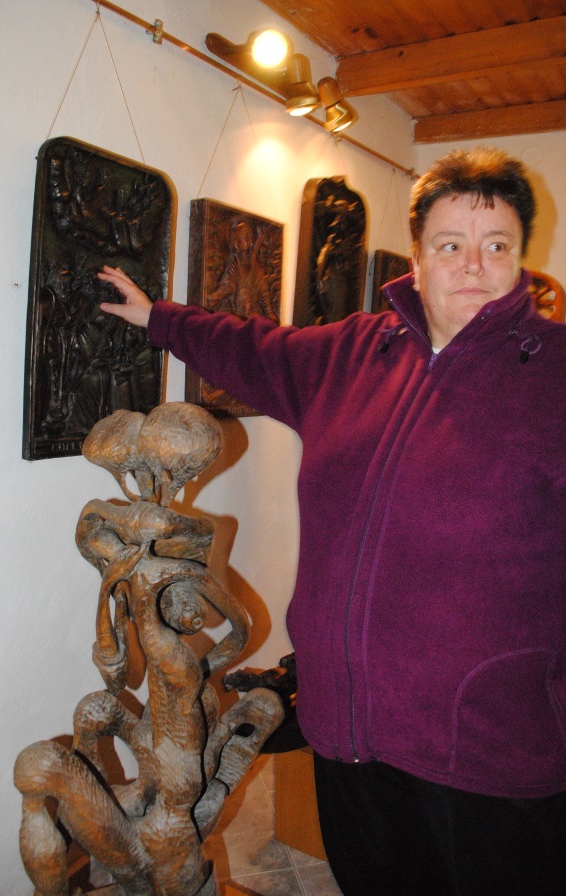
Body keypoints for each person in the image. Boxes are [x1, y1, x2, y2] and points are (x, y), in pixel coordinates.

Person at [97, 148, 566, 896]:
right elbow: (249, 347)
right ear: (418, 257)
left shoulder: (555, 378)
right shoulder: (352, 353)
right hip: (345, 730)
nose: (474, 266)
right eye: (451, 245)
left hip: (486, 753)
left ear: (519, 259)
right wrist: (159, 318)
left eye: (497, 245)